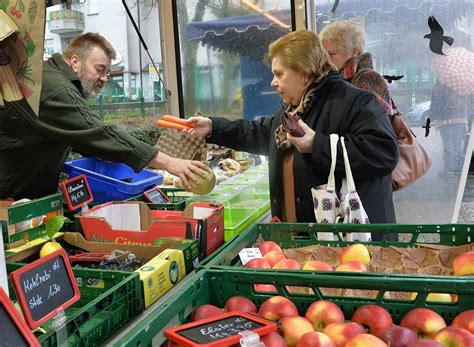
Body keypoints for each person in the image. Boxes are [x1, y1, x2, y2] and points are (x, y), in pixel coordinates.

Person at [183, 30, 399, 227]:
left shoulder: (356, 102)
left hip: (348, 243)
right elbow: (260, 132)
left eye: (279, 74)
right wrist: (213, 126)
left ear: (304, 73)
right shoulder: (294, 109)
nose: (273, 82)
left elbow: (384, 152)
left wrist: (316, 145)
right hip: (301, 239)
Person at [0, 32, 207, 200]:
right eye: (100, 69)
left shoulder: (55, 79)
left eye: (108, 72)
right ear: (75, 62)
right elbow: (97, 133)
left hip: (23, 199)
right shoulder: (55, 88)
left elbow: (87, 140)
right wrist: (170, 162)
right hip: (7, 201)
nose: (105, 79)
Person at [319, 20, 393, 114]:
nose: (325, 60)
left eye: (331, 54)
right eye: (323, 55)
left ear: (354, 52)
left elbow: (373, 121)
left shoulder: (368, 79)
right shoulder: (332, 78)